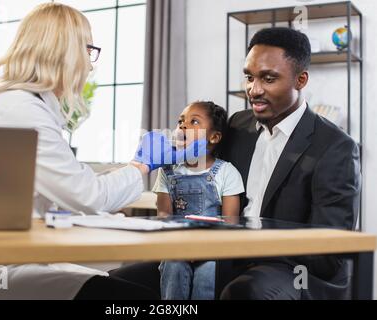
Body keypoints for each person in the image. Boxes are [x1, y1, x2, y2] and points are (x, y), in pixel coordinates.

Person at [0, 3, 205, 300]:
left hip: (9, 264)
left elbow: (68, 192)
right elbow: (87, 195)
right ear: (64, 52)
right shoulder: (20, 109)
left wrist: (116, 213)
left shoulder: (25, 105)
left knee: (139, 284)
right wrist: (141, 165)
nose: (90, 64)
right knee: (133, 298)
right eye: (88, 50)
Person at [110, 27, 361, 300]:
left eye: (268, 78)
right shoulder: (237, 125)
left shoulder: (336, 148)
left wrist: (247, 243)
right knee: (114, 284)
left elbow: (329, 256)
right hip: (227, 256)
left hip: (293, 270)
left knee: (243, 293)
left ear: (300, 80)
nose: (254, 90)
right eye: (249, 77)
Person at [152, 101, 244, 300]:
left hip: (213, 247)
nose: (183, 125)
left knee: (209, 271)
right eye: (180, 121)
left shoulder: (226, 172)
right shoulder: (167, 171)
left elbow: (230, 223)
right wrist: (181, 247)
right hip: (177, 244)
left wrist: (205, 249)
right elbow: (164, 217)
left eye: (194, 121)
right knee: (173, 264)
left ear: (214, 137)